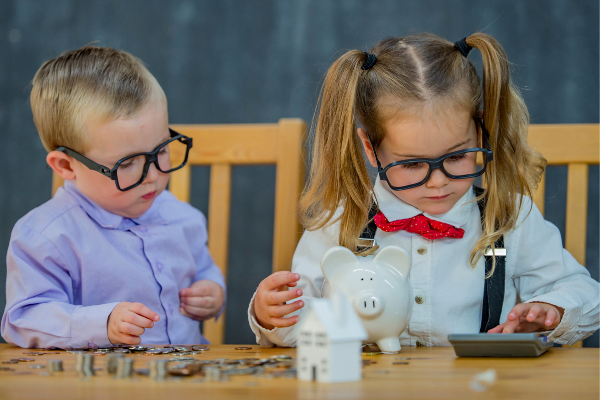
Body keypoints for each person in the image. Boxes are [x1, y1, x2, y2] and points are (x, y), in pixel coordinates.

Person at [249, 33, 599, 347]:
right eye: (413, 164)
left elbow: (586, 293)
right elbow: (297, 320)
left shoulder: (510, 215)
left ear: (480, 131)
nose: (438, 181)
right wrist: (271, 316)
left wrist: (551, 308)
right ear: (370, 149)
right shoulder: (339, 220)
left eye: (459, 156)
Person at [2, 46, 225, 349]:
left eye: (160, 150)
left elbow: (202, 268)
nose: (153, 175)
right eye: (127, 163)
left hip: (188, 377)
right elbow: (24, 319)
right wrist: (102, 323)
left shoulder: (183, 217)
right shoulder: (46, 237)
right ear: (66, 166)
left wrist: (212, 290)